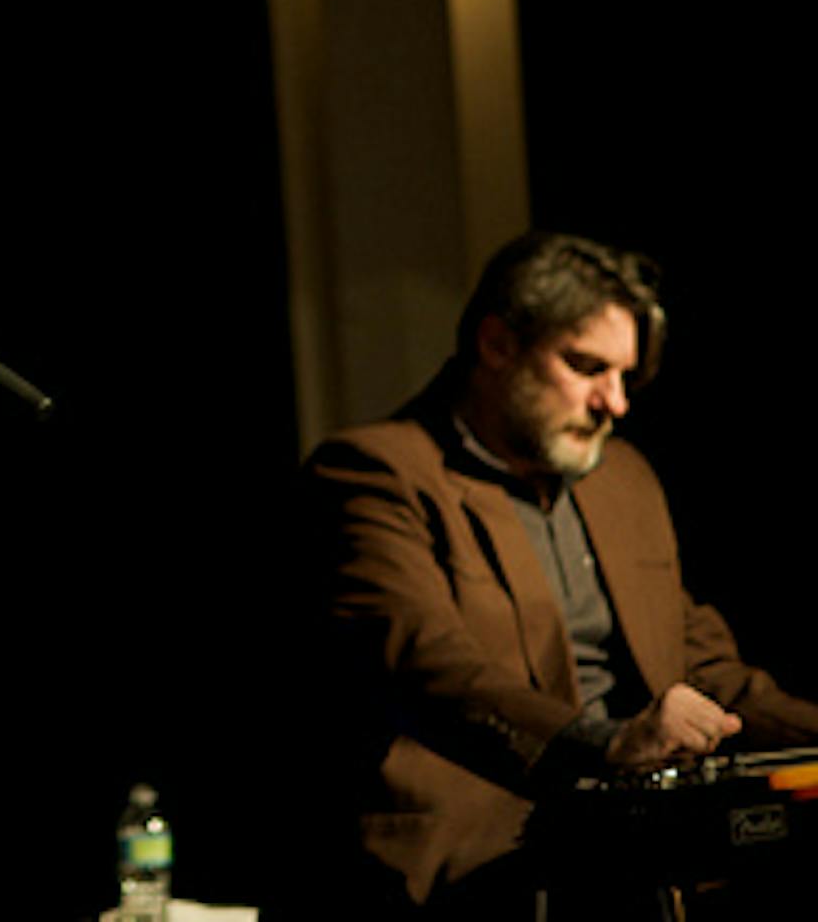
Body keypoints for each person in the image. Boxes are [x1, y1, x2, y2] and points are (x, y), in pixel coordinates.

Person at [293, 231, 818, 916]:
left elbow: (704, 664)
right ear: (497, 345)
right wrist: (606, 743)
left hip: (635, 864)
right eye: (586, 367)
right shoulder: (376, 472)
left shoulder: (623, 477)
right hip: (469, 875)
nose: (615, 402)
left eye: (625, 376)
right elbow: (429, 664)